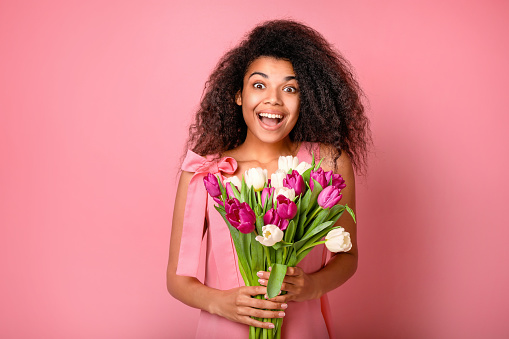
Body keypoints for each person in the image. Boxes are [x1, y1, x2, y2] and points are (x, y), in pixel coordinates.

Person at [167, 19, 370, 338]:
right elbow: (177, 280)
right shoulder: (205, 171)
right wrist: (221, 303)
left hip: (302, 329)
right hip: (224, 330)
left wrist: (312, 285)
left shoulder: (329, 163)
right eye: (259, 85)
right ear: (238, 94)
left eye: (290, 88)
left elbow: (348, 256)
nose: (273, 99)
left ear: (306, 99)